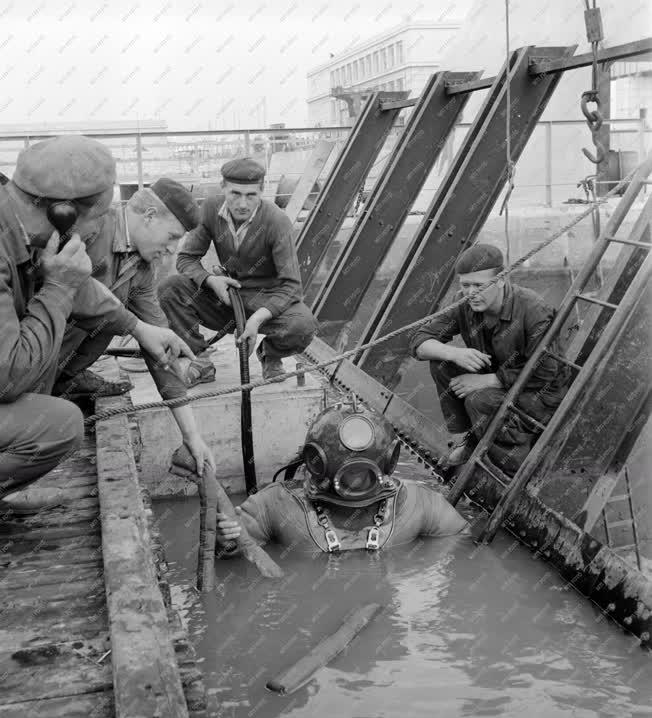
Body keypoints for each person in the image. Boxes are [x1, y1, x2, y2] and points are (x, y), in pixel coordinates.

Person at [0, 136, 199, 501]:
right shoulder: (66, 233)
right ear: (63, 213)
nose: (93, 232)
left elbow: (88, 292)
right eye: (172, 237)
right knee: (58, 426)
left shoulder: (27, 232)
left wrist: (193, 437)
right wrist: (63, 286)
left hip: (34, 371)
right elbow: (10, 372)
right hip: (18, 371)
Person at [52, 177, 214, 473]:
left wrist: (192, 437)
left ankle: (65, 379)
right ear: (150, 216)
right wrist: (133, 325)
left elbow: (159, 349)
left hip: (54, 362)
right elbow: (75, 293)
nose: (172, 250)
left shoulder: (141, 271)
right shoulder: (91, 227)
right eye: (172, 237)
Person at [214, 403, 470, 555]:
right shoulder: (278, 504)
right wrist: (228, 536)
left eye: (362, 476)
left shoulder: (417, 504)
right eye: (350, 476)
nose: (355, 482)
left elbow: (463, 542)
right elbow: (233, 546)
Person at [410, 243, 569, 473]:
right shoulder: (464, 302)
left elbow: (546, 370)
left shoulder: (533, 308)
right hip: (501, 380)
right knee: (442, 362)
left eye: (479, 285)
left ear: (502, 279)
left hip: (539, 393)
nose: (471, 292)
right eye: (465, 285)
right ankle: (474, 437)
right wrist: (454, 352)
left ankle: (513, 466)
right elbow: (418, 341)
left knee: (480, 400)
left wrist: (490, 380)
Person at [158, 157, 317, 385]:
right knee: (169, 289)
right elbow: (186, 258)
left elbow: (292, 286)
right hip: (225, 298)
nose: (242, 204)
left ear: (262, 191)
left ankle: (270, 355)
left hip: (265, 301)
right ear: (223, 187)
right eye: (235, 194)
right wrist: (211, 281)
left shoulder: (277, 222)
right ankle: (200, 359)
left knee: (303, 326)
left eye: (251, 195)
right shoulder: (211, 209)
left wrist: (256, 321)